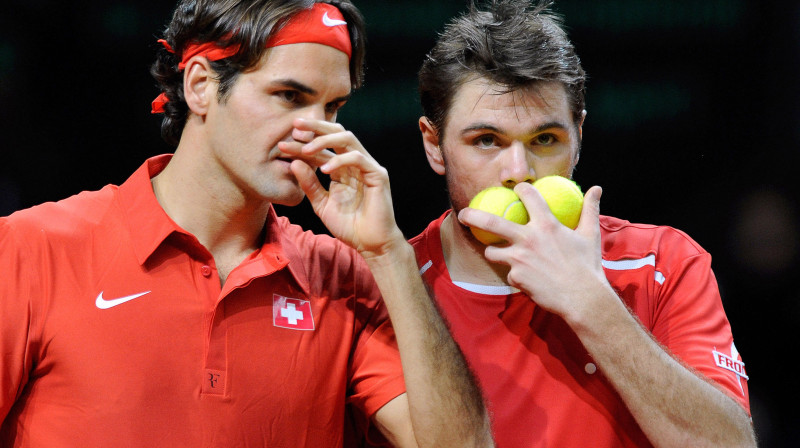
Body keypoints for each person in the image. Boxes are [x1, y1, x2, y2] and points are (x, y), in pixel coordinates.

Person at [0, 1, 494, 446]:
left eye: (333, 107)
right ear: (200, 85)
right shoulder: (31, 248)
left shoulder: (344, 279)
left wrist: (389, 254)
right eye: (289, 96)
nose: (316, 132)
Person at [411, 0, 756, 446]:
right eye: (486, 140)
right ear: (434, 145)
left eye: (545, 139)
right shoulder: (394, 289)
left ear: (579, 137)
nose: (519, 170)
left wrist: (591, 303)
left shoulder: (664, 263)